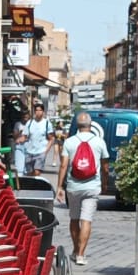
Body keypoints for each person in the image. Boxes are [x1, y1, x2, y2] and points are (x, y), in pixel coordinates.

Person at [57, 110, 109, 266]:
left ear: (77, 125)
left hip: (73, 186)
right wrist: (104, 182)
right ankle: (80, 255)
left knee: (74, 218)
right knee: (86, 220)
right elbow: (105, 166)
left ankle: (75, 249)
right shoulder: (99, 142)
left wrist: (60, 186)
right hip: (92, 186)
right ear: (90, 125)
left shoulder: (69, 142)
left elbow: (64, 165)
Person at [15, 102, 51, 177]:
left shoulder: (47, 123)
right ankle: (32, 186)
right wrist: (19, 139)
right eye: (36, 110)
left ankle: (36, 186)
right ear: (34, 112)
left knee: (37, 172)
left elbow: (52, 138)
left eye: (40, 110)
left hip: (41, 151)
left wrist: (46, 150)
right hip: (29, 151)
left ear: (43, 112)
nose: (38, 112)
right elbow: (25, 136)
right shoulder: (30, 123)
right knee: (29, 173)